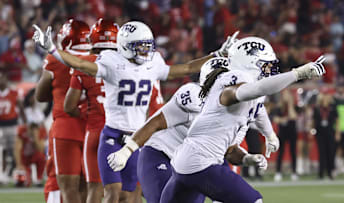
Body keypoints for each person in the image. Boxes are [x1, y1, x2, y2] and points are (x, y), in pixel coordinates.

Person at [32, 21, 239, 203]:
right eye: (139, 47)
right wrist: (52, 49)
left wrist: (217, 54)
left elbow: (185, 68)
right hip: (112, 137)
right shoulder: (111, 63)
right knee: (112, 193)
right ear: (124, 46)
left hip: (138, 139)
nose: (144, 51)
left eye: (147, 46)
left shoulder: (153, 64)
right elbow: (79, 63)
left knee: (131, 195)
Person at [158, 37, 326, 203]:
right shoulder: (232, 85)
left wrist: (248, 158)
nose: (269, 72)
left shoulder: (242, 98)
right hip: (200, 163)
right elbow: (258, 88)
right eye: (265, 66)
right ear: (249, 64)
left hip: (187, 164)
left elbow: (229, 149)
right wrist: (298, 73)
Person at [107, 57, 268, 203]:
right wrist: (127, 150)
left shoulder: (235, 111)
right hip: (160, 154)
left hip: (192, 166)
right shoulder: (193, 96)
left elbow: (229, 151)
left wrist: (247, 158)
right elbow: (154, 123)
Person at [35, 19, 90, 203]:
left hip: (66, 127)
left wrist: (59, 89)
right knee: (89, 186)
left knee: (67, 188)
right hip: (93, 126)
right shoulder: (98, 59)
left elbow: (40, 95)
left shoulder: (56, 58)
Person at [63, 18, 118, 203]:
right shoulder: (127, 63)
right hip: (123, 132)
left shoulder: (84, 63)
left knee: (94, 188)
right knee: (128, 191)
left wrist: (88, 112)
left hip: (96, 131)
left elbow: (69, 106)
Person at [0, 72, 27, 183]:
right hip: (1, 125)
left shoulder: (14, 93)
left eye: (2, 78)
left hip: (12, 124)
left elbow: (21, 109)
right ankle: (3, 174)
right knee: (2, 152)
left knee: (16, 151)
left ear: (6, 80)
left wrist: (25, 124)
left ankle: (18, 175)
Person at [273, 89, 299, 181]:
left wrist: (290, 104)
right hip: (282, 132)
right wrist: (282, 120)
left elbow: (294, 116)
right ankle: (278, 172)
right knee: (280, 153)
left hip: (292, 132)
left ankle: (294, 172)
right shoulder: (279, 107)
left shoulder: (293, 106)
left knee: (293, 152)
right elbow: (275, 119)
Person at [313, 93, 337, 179]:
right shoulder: (317, 109)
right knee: (321, 153)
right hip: (320, 133)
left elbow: (337, 120)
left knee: (330, 152)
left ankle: (330, 173)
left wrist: (338, 133)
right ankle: (321, 174)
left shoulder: (332, 108)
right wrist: (312, 130)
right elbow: (314, 121)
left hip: (330, 132)